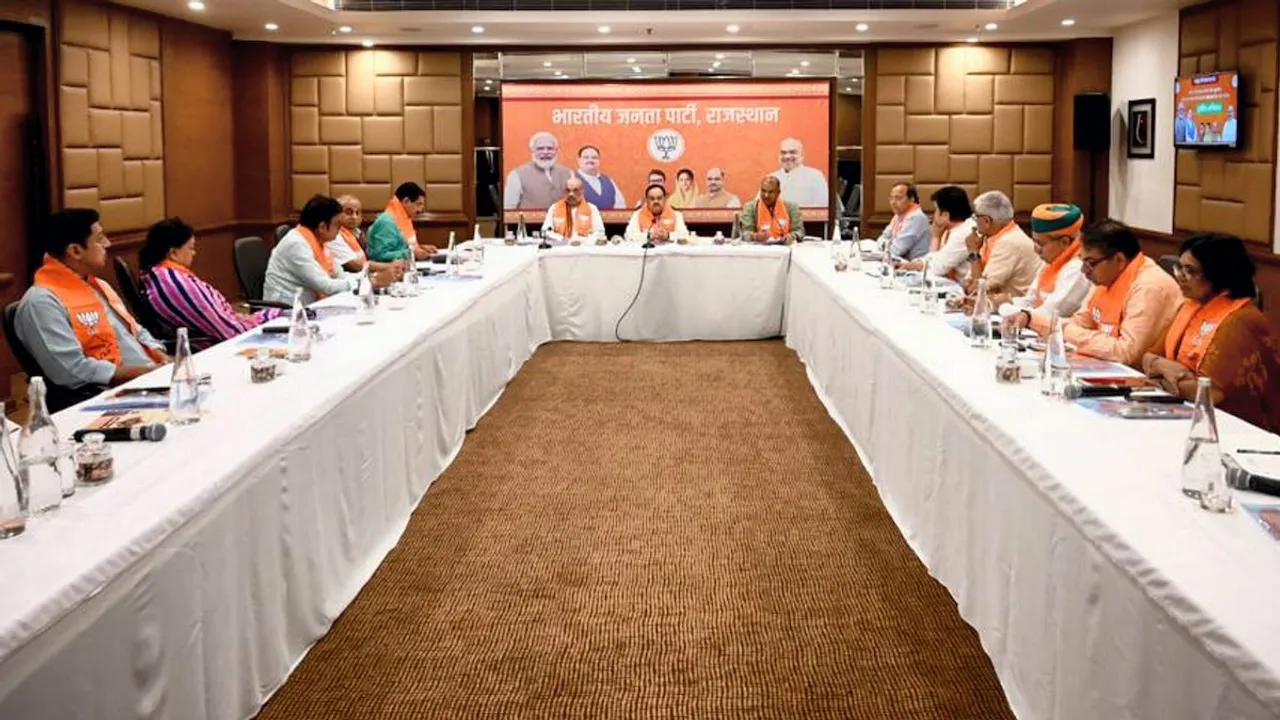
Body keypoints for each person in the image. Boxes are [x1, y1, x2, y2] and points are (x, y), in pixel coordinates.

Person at [14, 208, 167, 389]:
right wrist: (146, 373)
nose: (108, 244)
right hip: (112, 392)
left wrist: (161, 358)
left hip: (150, 378)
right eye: (100, 239)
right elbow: (72, 370)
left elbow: (135, 330)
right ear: (76, 250)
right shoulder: (41, 303)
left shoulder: (97, 285)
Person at [1142, 233, 1280, 431]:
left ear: (1217, 274)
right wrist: (1166, 368)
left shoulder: (1241, 320)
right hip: (1189, 411)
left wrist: (1160, 380)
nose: (1179, 276)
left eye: (1189, 271)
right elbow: (1148, 357)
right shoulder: (1190, 306)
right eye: (1179, 267)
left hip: (1237, 426)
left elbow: (1210, 392)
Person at [1008, 220, 1182, 365]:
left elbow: (1126, 352)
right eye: (1082, 261)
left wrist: (1063, 330)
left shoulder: (1149, 287)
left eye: (1090, 263)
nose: (1084, 270)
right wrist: (1033, 319)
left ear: (1119, 259)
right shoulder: (1107, 276)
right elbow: (1082, 321)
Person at [138, 217, 286, 351]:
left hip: (230, 326)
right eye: (191, 248)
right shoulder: (177, 285)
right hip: (225, 344)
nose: (194, 253)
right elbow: (228, 332)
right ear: (173, 253)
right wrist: (260, 326)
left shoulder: (158, 274)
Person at [264, 195, 395, 304]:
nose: (340, 230)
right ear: (322, 226)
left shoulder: (320, 241)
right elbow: (327, 286)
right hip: (287, 313)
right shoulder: (296, 244)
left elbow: (340, 275)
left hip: (312, 306)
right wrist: (372, 282)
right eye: (337, 225)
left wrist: (373, 277)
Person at [994, 203, 1090, 317]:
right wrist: (1009, 301)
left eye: (1040, 244)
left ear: (1064, 242)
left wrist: (1004, 307)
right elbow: (1032, 301)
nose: (1036, 249)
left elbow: (1049, 314)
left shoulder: (1078, 268)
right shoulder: (1053, 260)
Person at [964, 190, 1041, 298]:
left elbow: (977, 291)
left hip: (1016, 309)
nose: (974, 222)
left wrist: (973, 252)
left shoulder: (1010, 242)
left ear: (987, 221)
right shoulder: (991, 237)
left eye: (976, 217)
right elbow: (969, 284)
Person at [899, 186, 975, 280]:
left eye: (936, 210)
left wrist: (935, 237)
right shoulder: (947, 229)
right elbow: (934, 259)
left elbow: (938, 268)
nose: (933, 215)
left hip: (963, 289)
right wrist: (913, 264)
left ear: (945, 215)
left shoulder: (965, 232)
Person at [331, 195, 403, 278]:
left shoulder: (359, 233)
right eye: (348, 212)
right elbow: (356, 266)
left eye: (357, 213)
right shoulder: (334, 236)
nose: (354, 217)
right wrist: (391, 266)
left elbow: (372, 255)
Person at [366, 182, 439, 263]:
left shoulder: (404, 218)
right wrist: (411, 253)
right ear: (406, 201)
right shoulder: (387, 222)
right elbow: (380, 255)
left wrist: (420, 248)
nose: (421, 210)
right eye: (418, 204)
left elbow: (400, 246)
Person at [503, 131, 572, 209]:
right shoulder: (517, 174)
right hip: (530, 221)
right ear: (532, 151)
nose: (545, 152)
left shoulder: (568, 173)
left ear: (556, 151)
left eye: (550, 148)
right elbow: (508, 209)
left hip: (561, 220)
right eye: (540, 149)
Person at [739, 176, 804, 244]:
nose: (766, 195)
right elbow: (745, 234)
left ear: (778, 192)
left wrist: (792, 236)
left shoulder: (792, 208)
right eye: (763, 191)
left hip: (785, 248)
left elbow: (799, 232)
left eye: (770, 192)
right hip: (759, 249)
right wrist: (755, 236)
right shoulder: (750, 207)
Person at [541, 177, 605, 243]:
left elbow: (600, 232)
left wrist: (583, 241)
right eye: (568, 190)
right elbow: (545, 231)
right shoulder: (554, 208)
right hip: (560, 248)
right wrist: (562, 239)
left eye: (575, 190)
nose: (571, 194)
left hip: (583, 248)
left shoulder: (592, 208)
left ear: (582, 191)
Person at [876, 183, 930, 261]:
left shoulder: (916, 217)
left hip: (915, 267)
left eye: (898, 198)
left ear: (911, 200)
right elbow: (882, 237)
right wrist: (886, 244)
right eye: (891, 198)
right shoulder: (899, 215)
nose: (893, 202)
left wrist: (886, 245)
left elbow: (897, 250)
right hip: (900, 263)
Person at [770, 137, 828, 208]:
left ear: (802, 155)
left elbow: (822, 207)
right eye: (783, 153)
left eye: (793, 152)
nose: (787, 156)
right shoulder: (771, 178)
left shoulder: (815, 176)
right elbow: (759, 207)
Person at [575, 145, 626, 209]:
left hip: (609, 219)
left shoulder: (609, 180)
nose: (590, 160)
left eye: (594, 158)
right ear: (579, 160)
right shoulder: (571, 179)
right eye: (586, 157)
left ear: (599, 160)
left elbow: (621, 206)